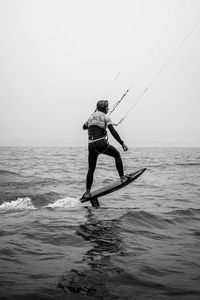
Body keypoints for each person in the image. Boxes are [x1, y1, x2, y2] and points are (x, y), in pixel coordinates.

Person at [82, 100, 128, 199]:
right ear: (103, 108)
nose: (108, 109)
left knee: (91, 169)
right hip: (100, 144)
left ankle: (87, 192)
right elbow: (112, 131)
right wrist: (122, 143)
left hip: (91, 146)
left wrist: (94, 118)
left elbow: (84, 127)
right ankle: (122, 178)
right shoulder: (105, 117)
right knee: (117, 155)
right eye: (107, 107)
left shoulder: (91, 117)